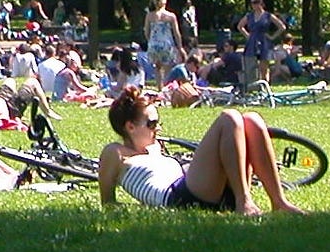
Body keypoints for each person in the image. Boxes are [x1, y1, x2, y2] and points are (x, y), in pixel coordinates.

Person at [97, 87, 305, 215]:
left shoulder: (155, 148)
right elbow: (108, 202)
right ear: (130, 127)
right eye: (152, 123)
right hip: (176, 197)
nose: (158, 128)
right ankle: (244, 201)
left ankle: (279, 202)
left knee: (252, 120)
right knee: (229, 118)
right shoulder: (115, 152)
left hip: (201, 190)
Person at [236, 0, 284, 86]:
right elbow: (240, 26)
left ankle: (266, 86)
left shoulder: (268, 15)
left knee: (264, 67)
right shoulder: (249, 16)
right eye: (253, 3)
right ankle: (253, 86)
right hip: (252, 42)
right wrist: (248, 36)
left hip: (264, 42)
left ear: (261, 3)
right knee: (251, 65)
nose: (255, 5)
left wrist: (272, 37)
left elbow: (282, 27)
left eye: (256, 2)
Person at [143, 0, 181, 85]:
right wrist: (180, 46)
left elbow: (146, 31)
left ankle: (159, 87)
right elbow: (176, 32)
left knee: (157, 67)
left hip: (154, 44)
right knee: (168, 67)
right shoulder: (171, 16)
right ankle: (167, 86)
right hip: (166, 44)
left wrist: (150, 40)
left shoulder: (149, 15)